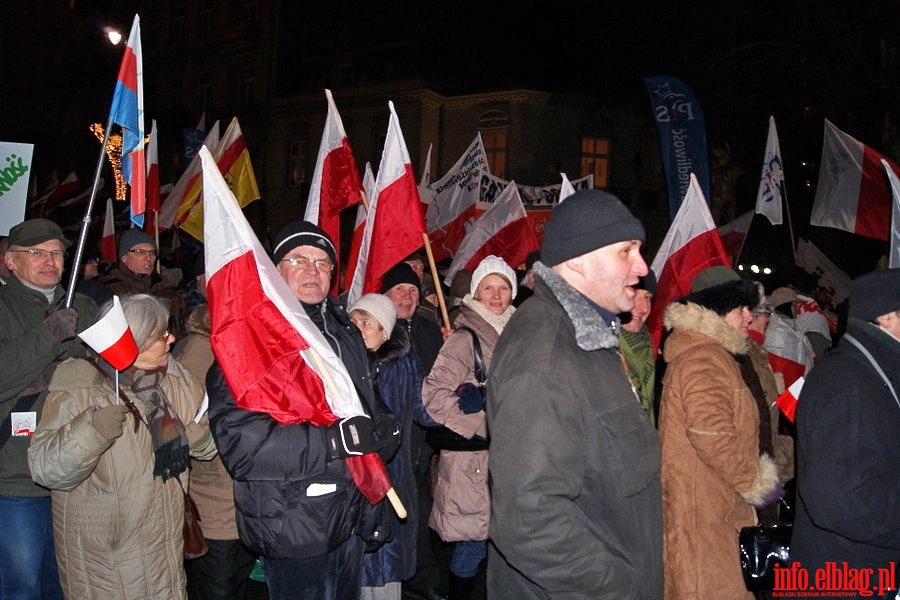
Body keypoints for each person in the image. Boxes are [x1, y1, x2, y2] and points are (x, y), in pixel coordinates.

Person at [206, 220, 400, 600]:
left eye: (323, 262)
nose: (313, 271)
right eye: (298, 260)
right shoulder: (249, 342)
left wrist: (384, 430)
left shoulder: (344, 333)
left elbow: (365, 406)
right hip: (294, 524)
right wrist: (334, 441)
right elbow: (244, 449)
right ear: (274, 271)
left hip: (348, 517)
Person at [487, 190, 661, 599]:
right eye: (626, 251)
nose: (641, 267)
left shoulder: (588, 339)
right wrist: (623, 590)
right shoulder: (546, 354)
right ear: (578, 261)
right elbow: (530, 520)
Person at [28, 293, 215, 599]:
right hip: (106, 562)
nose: (172, 339)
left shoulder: (172, 378)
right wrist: (92, 431)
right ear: (134, 338)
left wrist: (199, 438)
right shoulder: (80, 385)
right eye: (160, 335)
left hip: (164, 554)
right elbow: (46, 469)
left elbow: (207, 443)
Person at [659, 270, 784, 599]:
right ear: (718, 309)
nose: (750, 317)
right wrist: (758, 483)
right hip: (706, 520)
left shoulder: (716, 355)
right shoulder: (704, 359)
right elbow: (712, 436)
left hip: (718, 511)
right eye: (742, 308)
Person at [0, 218, 99, 600]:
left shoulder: (81, 305)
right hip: (15, 475)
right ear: (11, 261)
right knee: (22, 587)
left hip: (74, 471)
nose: (49, 261)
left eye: (56, 253)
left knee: (64, 585)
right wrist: (48, 336)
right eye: (36, 253)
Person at [791, 268, 900, 597]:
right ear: (887, 318)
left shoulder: (871, 374)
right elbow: (840, 500)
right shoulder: (848, 383)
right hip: (846, 582)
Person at [423, 255, 517, 599]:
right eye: (488, 287)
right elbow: (433, 396)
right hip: (474, 465)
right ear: (475, 292)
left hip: (512, 460)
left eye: (503, 287)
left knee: (507, 548)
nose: (496, 295)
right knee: (473, 547)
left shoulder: (518, 330)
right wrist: (483, 425)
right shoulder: (465, 337)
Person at [173, 263, 257, 600]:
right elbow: (187, 420)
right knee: (218, 585)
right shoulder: (200, 350)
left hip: (239, 495)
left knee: (235, 581)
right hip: (215, 497)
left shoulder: (241, 345)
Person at [349, 293, 437, 600]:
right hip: (353, 481)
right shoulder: (342, 367)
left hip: (391, 481)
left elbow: (427, 410)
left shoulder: (402, 366)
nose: (357, 327)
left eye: (366, 322)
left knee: (384, 570)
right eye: (354, 320)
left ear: (385, 332)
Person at [380, 262, 447, 600]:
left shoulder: (428, 327)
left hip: (421, 440)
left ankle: (417, 577)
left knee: (416, 510)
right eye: (399, 290)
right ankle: (404, 579)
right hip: (391, 442)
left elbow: (437, 383)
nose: (406, 296)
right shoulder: (377, 332)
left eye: (412, 290)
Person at [100, 228, 187, 337]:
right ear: (124, 257)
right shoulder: (110, 290)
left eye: (152, 252)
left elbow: (182, 326)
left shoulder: (165, 288)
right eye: (140, 252)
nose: (148, 258)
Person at [617, 269, 658, 426]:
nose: (644, 308)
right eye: (635, 295)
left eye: (647, 298)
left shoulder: (646, 345)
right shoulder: (597, 346)